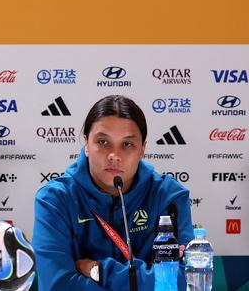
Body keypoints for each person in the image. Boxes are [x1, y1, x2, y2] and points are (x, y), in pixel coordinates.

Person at [33, 95, 193, 290]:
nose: (114, 155)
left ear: (143, 149)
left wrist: (99, 271)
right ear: (86, 144)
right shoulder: (54, 200)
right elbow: (57, 286)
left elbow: (186, 280)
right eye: (103, 142)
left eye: (127, 144)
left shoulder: (169, 197)